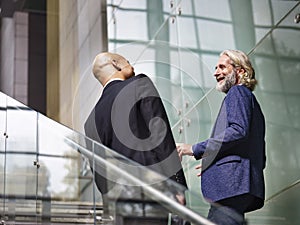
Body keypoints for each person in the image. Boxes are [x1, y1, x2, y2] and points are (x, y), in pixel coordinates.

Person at [84, 52, 188, 224]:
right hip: (152, 196)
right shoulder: (139, 84)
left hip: (120, 207)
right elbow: (160, 136)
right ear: (116, 64)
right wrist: (176, 185)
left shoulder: (90, 121)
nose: (130, 63)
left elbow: (99, 173)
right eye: (127, 60)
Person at [177, 49, 266, 225]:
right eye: (215, 67)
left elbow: (237, 131)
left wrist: (194, 149)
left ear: (240, 71)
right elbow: (255, 151)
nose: (216, 72)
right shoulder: (251, 101)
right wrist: (215, 161)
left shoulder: (237, 93)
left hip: (230, 188)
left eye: (222, 67)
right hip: (238, 187)